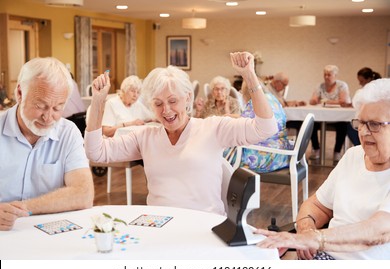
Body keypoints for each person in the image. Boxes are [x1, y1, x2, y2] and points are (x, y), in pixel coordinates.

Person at [84, 52, 278, 216]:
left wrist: (249, 76)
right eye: (158, 104)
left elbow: (266, 128)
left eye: (172, 101)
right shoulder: (145, 136)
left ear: (188, 98)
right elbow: (96, 152)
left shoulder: (213, 128)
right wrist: (99, 102)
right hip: (159, 225)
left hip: (204, 226)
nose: (166, 110)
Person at [255, 78, 390, 260]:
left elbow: (379, 231)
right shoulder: (353, 156)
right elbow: (317, 205)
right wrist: (305, 231)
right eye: (361, 123)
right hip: (325, 258)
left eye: (374, 124)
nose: (364, 132)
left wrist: (315, 239)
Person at [0, 57, 94, 231]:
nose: (48, 117)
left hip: (50, 234)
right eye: (41, 105)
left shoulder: (68, 132)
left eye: (58, 108)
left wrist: (24, 209)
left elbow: (84, 194)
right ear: (20, 93)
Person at [226, 79, 292, 172]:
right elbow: (252, 118)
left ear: (247, 93)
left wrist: (228, 116)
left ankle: (226, 184)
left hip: (267, 157)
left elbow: (245, 126)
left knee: (222, 153)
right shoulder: (271, 98)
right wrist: (231, 116)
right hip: (282, 154)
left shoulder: (254, 102)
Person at [309, 65, 351, 161]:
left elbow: (343, 101)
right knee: (311, 124)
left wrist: (324, 101)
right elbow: (312, 100)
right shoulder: (320, 86)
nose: (326, 77)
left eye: (329, 75)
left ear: (335, 76)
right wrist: (314, 100)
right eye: (325, 75)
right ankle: (316, 149)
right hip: (321, 117)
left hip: (338, 118)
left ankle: (337, 151)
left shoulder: (342, 85)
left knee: (343, 125)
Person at [347, 67, 382, 146]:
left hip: (373, 118)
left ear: (369, 79)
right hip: (368, 118)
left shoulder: (374, 91)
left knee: (350, 127)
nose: (360, 83)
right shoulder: (364, 91)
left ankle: (360, 145)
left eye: (361, 81)